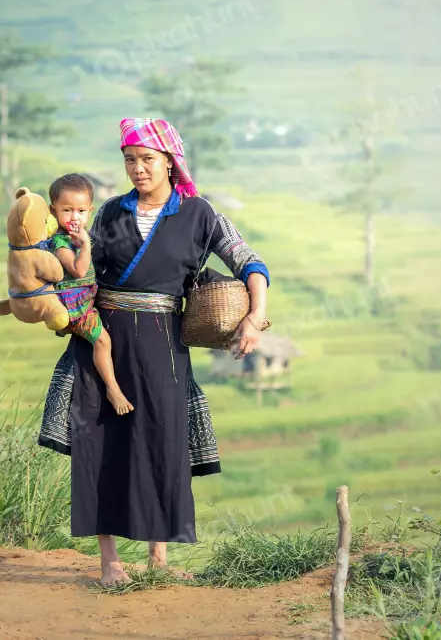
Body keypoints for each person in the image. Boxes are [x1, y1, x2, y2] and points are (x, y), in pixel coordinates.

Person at [38, 117, 270, 587]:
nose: (137, 169)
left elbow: (249, 261)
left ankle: (158, 558)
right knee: (99, 445)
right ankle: (110, 564)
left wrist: (255, 316)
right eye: (129, 160)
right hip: (103, 338)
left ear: (170, 162)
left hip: (164, 343)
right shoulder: (108, 213)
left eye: (147, 159)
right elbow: (79, 268)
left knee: (162, 443)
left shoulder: (200, 214)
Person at [47, 173, 134, 416]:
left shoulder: (77, 237)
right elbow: (78, 270)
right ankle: (112, 388)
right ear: (53, 211)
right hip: (76, 306)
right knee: (103, 341)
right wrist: (85, 245)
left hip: (86, 300)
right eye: (67, 210)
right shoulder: (61, 242)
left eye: (81, 211)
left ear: (90, 210)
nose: (75, 217)